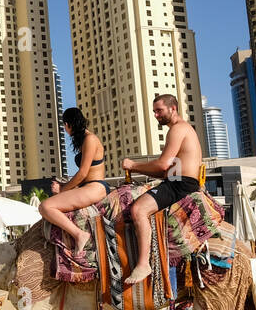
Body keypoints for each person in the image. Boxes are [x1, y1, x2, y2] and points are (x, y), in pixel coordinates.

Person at [121, 94, 202, 285]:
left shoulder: (178, 129)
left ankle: (143, 264)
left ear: (173, 108)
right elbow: (166, 173)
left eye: (159, 110)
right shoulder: (181, 129)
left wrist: (132, 165)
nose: (156, 115)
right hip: (176, 181)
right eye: (154, 112)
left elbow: (163, 165)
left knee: (138, 210)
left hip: (180, 184)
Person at [38, 107, 111, 252]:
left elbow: (83, 173)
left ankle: (79, 234)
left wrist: (62, 189)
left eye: (64, 126)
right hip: (88, 187)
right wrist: (63, 185)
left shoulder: (90, 139)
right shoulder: (85, 140)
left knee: (45, 207)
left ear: (67, 124)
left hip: (96, 187)